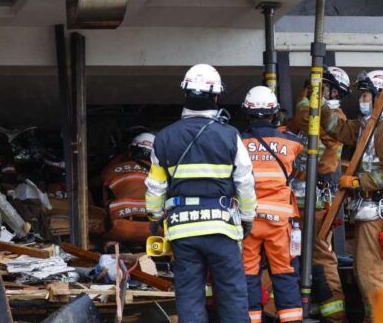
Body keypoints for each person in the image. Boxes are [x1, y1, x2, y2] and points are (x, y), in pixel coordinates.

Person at [145, 64, 257, 323]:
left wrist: (153, 217)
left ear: (185, 95)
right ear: (216, 97)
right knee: (232, 293)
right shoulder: (230, 136)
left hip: (182, 229)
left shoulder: (163, 138)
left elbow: (155, 186)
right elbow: (245, 182)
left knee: (189, 294)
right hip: (222, 228)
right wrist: (247, 217)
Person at [320, 70, 383, 322]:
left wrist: (358, 182)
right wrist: (322, 104)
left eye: (366, 95)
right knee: (364, 272)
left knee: (372, 273)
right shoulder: (368, 126)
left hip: (377, 209)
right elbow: (340, 129)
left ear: (379, 97)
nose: (362, 100)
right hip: (368, 208)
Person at [287, 67, 351, 323]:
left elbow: (303, 116)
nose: (314, 91)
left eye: (319, 86)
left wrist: (307, 94)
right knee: (298, 256)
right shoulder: (318, 114)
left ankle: (336, 316)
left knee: (320, 256)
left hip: (315, 202)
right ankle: (311, 308)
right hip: (299, 201)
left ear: (332, 91)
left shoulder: (331, 117)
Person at [240, 86, 304, 323]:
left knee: (248, 275)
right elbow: (302, 171)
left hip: (248, 220)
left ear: (247, 112)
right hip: (279, 221)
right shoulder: (291, 142)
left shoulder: (238, 141)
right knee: (285, 274)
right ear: (275, 113)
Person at [101, 132, 156, 244]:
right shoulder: (161, 173)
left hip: (121, 229)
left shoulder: (113, 169)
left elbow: (103, 199)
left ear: (132, 150)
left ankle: (111, 246)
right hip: (155, 231)